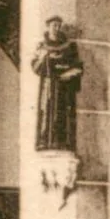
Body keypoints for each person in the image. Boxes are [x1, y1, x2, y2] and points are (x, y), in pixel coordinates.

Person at [32, 17, 85, 152]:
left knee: (63, 112)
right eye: (53, 25)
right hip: (48, 84)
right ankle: (45, 141)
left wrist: (68, 73)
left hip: (64, 86)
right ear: (48, 27)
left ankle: (62, 142)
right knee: (46, 111)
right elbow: (35, 67)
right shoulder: (41, 46)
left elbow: (77, 66)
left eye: (58, 25)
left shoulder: (69, 46)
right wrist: (44, 57)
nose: (56, 28)